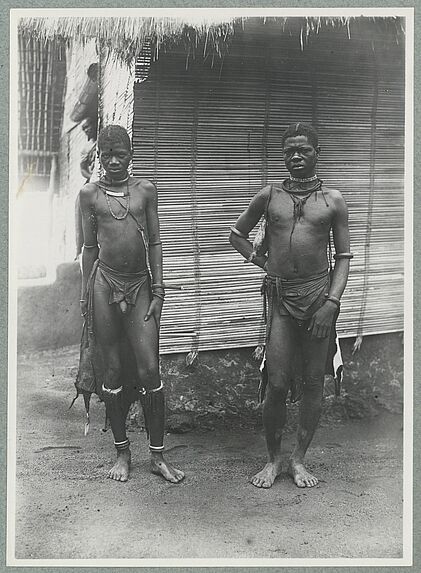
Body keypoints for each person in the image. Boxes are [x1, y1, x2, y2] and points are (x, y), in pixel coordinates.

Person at [229, 122, 352, 489]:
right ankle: (273, 460)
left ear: (317, 153)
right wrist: (263, 262)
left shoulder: (333, 200)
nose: (296, 157)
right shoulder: (269, 195)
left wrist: (332, 302)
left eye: (304, 150)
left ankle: (299, 460)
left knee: (314, 382)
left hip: (318, 299)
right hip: (281, 300)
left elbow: (344, 256)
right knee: (277, 382)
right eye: (289, 151)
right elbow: (236, 234)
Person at [77, 124, 184, 484]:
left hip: (140, 286)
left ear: (131, 154)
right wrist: (84, 294)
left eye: (121, 153)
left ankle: (157, 457)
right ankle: (122, 453)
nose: (114, 161)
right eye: (107, 155)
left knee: (149, 369)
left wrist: (159, 290)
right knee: (110, 371)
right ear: (99, 157)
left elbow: (155, 242)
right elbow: (89, 249)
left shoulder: (145, 191)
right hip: (104, 285)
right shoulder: (90, 195)